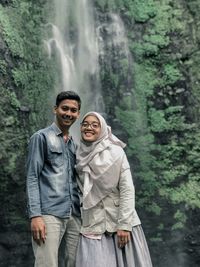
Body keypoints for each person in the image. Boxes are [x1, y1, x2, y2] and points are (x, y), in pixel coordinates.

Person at [75, 111, 153, 267]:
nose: (89, 128)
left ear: (103, 129)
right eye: (85, 124)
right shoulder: (77, 153)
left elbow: (127, 189)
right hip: (92, 224)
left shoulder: (116, 152)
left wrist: (124, 225)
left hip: (120, 223)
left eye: (95, 125)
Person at [26, 91, 82, 267]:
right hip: (49, 213)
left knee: (76, 262)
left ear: (78, 114)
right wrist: (35, 215)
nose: (68, 113)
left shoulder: (73, 144)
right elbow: (32, 177)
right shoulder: (41, 137)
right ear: (55, 109)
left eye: (73, 110)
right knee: (46, 263)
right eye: (64, 108)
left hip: (74, 213)